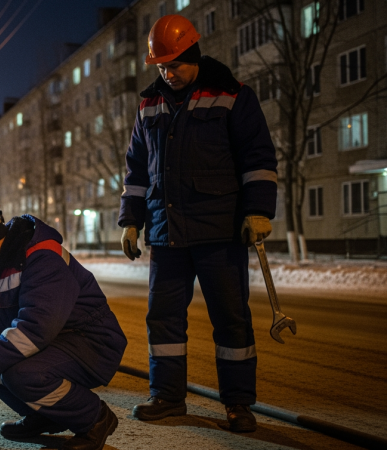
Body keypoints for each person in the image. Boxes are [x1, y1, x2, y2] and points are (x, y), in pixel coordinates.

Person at [118, 14, 278, 433]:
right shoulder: (149, 104)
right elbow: (136, 169)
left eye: (175, 65)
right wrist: (130, 220)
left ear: (194, 56)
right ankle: (168, 397)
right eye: (162, 67)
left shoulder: (232, 95)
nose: (168, 74)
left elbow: (258, 159)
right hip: (166, 232)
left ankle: (238, 404)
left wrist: (259, 211)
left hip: (219, 231)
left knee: (230, 318)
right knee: (163, 319)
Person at [0, 192, 127, 450]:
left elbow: (35, 329)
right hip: (57, 342)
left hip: (90, 343)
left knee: (18, 373)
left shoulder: (42, 257)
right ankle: (43, 416)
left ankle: (94, 419)